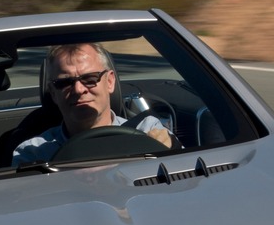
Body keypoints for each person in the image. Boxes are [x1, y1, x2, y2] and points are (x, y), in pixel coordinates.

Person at [11, 43, 172, 166]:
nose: (79, 89)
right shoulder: (32, 154)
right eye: (65, 83)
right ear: (53, 93)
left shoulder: (147, 132)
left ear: (109, 82)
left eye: (90, 79)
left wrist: (169, 150)